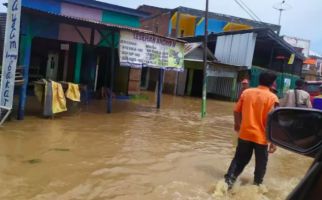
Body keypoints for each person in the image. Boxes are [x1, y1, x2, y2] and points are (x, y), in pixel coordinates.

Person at [224, 72, 279, 189]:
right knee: (261, 164)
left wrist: (237, 124)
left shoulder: (246, 92)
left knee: (239, 160)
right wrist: (274, 141)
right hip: (262, 138)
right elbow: (273, 121)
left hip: (245, 134)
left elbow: (236, 111)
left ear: (259, 80)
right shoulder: (273, 98)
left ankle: (228, 182)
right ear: (271, 83)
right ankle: (257, 187)